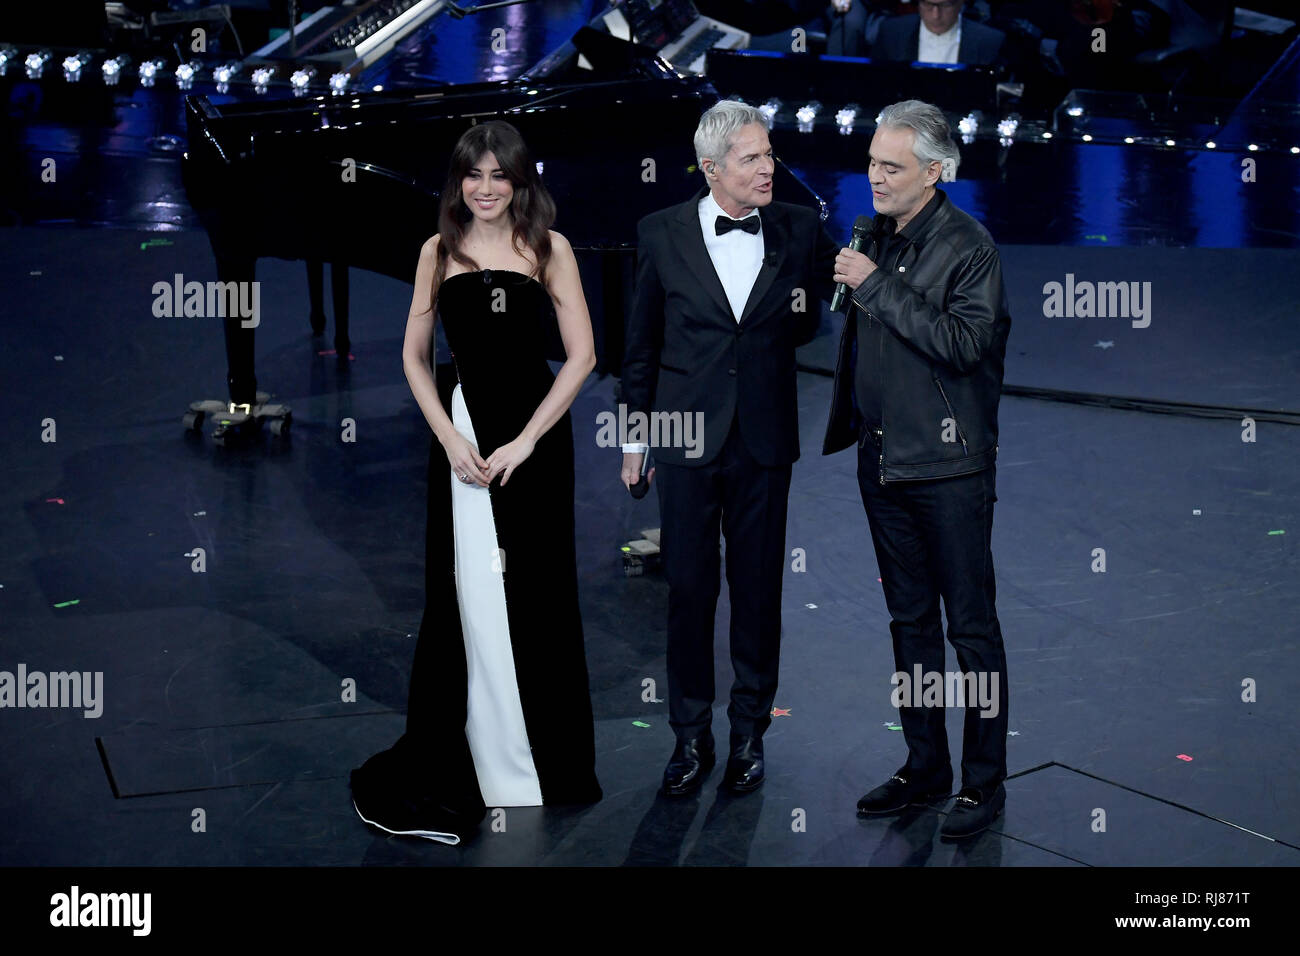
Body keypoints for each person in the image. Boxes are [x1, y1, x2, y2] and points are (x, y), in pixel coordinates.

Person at [350, 120, 602, 844]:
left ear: (521, 182)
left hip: (535, 446)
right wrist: (450, 437)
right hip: (463, 443)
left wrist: (527, 439)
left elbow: (582, 357)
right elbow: (413, 357)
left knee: (539, 593)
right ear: (459, 181)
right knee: (468, 595)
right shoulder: (438, 251)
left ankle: (540, 765)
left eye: (500, 176)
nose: (486, 189)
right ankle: (476, 760)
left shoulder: (551, 250)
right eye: (474, 175)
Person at [621, 99, 840, 798]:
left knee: (757, 591)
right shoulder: (659, 234)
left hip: (764, 438)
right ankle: (689, 737)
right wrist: (635, 435)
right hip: (684, 438)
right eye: (751, 158)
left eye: (769, 154)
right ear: (712, 169)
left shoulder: (802, 230)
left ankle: (749, 733)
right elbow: (641, 348)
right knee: (689, 589)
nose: (768, 167)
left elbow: (814, 316)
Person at [824, 99, 1011, 838]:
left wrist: (873, 285)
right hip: (883, 460)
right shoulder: (878, 234)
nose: (873, 176)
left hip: (948, 468)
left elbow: (964, 344)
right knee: (909, 625)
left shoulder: (970, 247)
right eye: (871, 161)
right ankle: (925, 762)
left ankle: (984, 780)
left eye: (890, 166)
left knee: (970, 628)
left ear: (934, 172)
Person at [871, 0, 1006, 66]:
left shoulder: (989, 41)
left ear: (960, 4)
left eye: (945, 5)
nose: (936, 15)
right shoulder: (892, 32)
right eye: (928, 5)